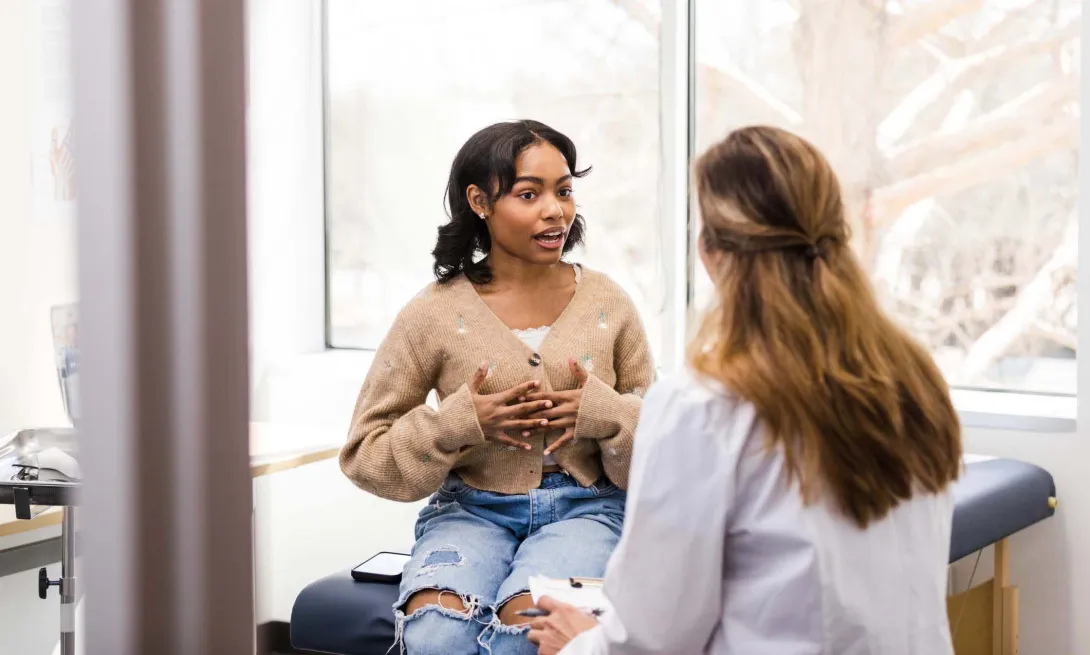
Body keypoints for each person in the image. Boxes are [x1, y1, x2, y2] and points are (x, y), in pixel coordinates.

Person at [528, 125, 963, 655]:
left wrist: (580, 645)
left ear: (711, 253)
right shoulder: (913, 381)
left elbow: (652, 639)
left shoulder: (705, 407)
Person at [339, 119, 655, 655]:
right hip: (468, 511)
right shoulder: (433, 313)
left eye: (564, 190)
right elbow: (365, 452)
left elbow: (666, 445)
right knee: (436, 637)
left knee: (525, 637)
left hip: (587, 508)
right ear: (480, 202)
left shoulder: (610, 304)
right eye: (529, 194)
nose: (555, 210)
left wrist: (605, 414)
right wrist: (459, 425)